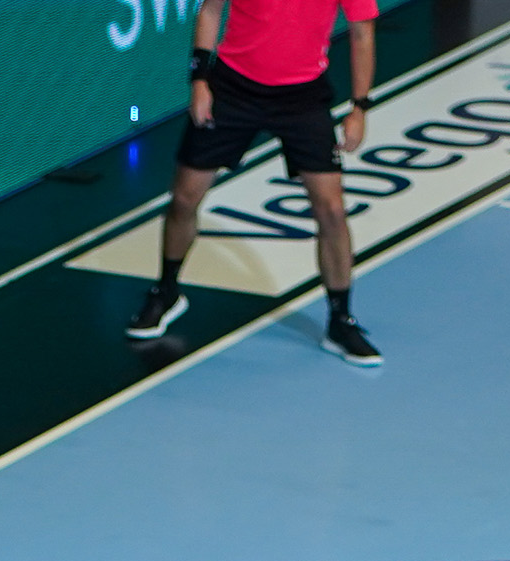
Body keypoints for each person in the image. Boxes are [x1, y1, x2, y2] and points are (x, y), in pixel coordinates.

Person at [127, 0, 383, 364]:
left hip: (303, 96)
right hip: (233, 89)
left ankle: (340, 320)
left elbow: (362, 32)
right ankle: (166, 291)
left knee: (331, 210)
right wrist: (200, 80)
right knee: (184, 199)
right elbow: (210, 11)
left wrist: (360, 107)